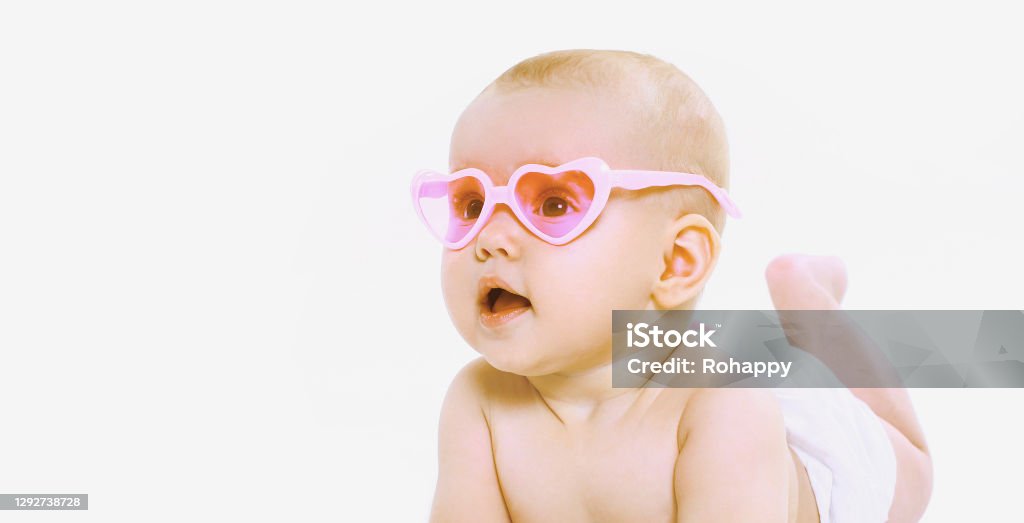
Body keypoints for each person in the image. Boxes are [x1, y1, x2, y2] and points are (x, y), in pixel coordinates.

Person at [412, 49, 932, 522]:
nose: (490, 238)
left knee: (910, 467)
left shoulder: (724, 409)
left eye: (553, 205)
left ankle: (806, 297)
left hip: (823, 466)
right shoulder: (478, 401)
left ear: (675, 263)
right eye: (472, 205)